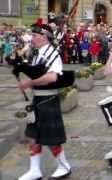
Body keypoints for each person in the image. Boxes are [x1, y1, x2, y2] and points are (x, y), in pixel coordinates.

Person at [17, 21, 71, 180]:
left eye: (34, 36)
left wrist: (29, 83)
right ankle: (35, 170)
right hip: (37, 99)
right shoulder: (37, 53)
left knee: (51, 138)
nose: (31, 38)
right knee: (33, 135)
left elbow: (51, 77)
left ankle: (64, 166)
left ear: (43, 37)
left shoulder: (52, 54)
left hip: (48, 98)